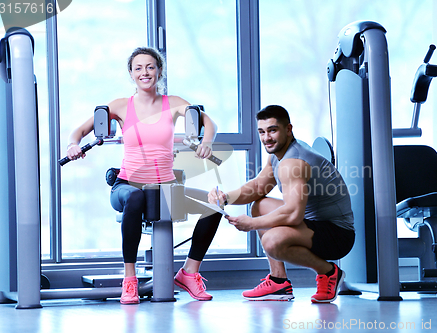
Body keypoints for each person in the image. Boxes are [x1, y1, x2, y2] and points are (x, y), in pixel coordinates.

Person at [66, 47, 222, 304]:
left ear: (159, 71)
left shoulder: (172, 103)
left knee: (214, 206)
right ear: (131, 74)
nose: (145, 72)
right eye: (138, 68)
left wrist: (207, 142)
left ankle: (189, 272)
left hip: (165, 187)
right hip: (127, 186)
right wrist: (73, 146)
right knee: (136, 197)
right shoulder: (119, 106)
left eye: (150, 67)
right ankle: (130, 280)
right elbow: (79, 132)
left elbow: (209, 124)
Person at [209, 105, 355, 303]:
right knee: (259, 205)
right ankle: (279, 282)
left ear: (288, 129)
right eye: (262, 132)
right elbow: (258, 187)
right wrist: (225, 197)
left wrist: (251, 224)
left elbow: (293, 214)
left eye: (272, 130)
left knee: (272, 241)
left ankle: (328, 272)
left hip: (337, 234)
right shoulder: (280, 154)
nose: (266, 138)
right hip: (313, 223)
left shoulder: (293, 163)